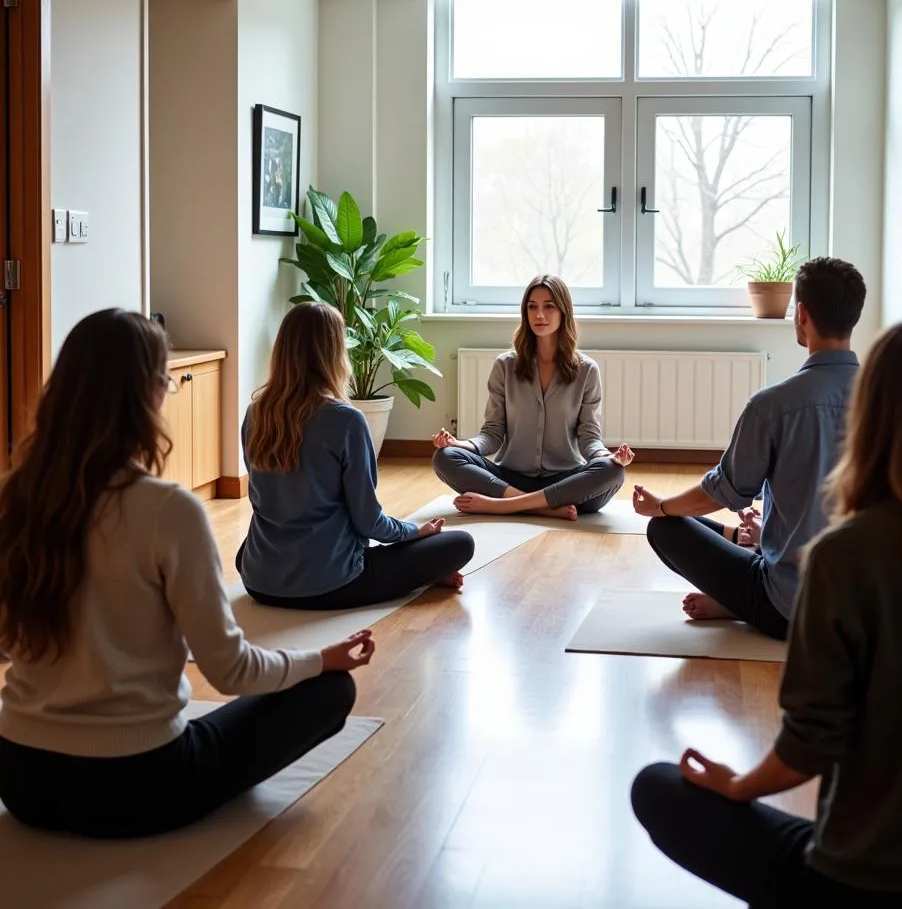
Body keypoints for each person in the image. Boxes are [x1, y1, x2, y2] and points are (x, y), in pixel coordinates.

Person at [631, 320, 902, 907]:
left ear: (872, 417)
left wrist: (738, 784)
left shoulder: (844, 555)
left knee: (657, 788)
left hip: (862, 878)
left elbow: (810, 742)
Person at [0, 309, 374, 839]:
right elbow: (231, 670)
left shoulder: (12, 497)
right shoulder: (167, 510)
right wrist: (319, 660)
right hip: (138, 784)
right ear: (149, 395)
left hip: (20, 777)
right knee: (330, 691)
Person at [633, 257, 866, 639]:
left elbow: (724, 492)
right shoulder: (886, 400)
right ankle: (753, 564)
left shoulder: (773, 405)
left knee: (667, 528)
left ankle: (741, 603)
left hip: (789, 610)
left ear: (801, 313)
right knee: (750, 532)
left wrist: (661, 506)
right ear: (854, 316)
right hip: (862, 612)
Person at [238, 302, 474, 611]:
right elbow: (368, 522)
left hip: (259, 582)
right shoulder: (345, 420)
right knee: (460, 543)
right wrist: (416, 531)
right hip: (330, 585)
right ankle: (420, 574)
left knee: (257, 542)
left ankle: (417, 573)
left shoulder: (256, 412)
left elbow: (265, 496)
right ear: (335, 353)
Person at [432, 274, 633, 520]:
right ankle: (537, 507)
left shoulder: (586, 370)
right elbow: (493, 433)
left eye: (549, 306)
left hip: (564, 481)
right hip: (509, 478)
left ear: (564, 312)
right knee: (445, 457)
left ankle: (504, 505)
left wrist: (607, 456)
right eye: (532, 307)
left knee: (613, 471)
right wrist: (462, 444)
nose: (539, 315)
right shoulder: (505, 366)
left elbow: (589, 437)